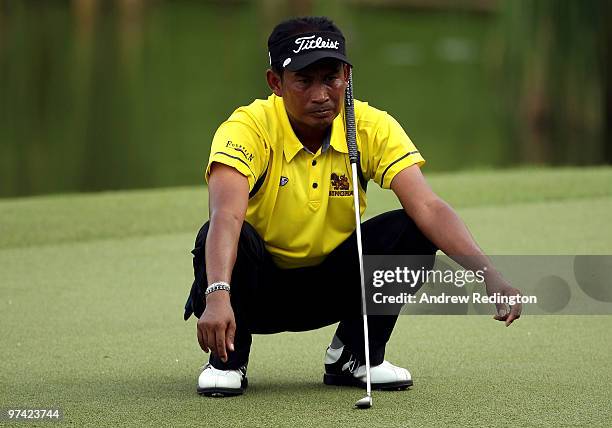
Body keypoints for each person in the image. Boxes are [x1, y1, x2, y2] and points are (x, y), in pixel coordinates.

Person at [183, 16, 522, 397]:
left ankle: (356, 356)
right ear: (276, 82)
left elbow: (428, 206)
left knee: (413, 230)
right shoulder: (246, 128)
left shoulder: (369, 125)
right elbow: (225, 215)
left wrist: (488, 273)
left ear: (347, 74)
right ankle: (228, 358)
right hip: (254, 290)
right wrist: (216, 295)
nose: (321, 94)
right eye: (304, 80)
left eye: (331, 77)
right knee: (226, 233)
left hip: (333, 284)